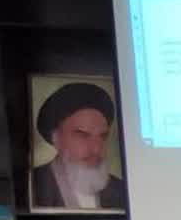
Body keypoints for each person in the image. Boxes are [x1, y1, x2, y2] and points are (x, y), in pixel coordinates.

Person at [30, 81, 127, 211]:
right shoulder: (33, 185)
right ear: (56, 138)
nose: (96, 149)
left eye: (103, 136)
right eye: (83, 135)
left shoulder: (122, 189)